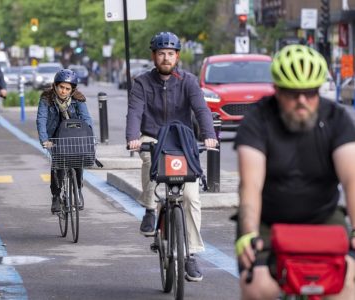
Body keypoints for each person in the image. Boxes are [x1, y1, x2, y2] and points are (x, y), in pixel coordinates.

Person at [234, 44, 355, 300]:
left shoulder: (337, 118)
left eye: (310, 93)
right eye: (292, 93)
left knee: (346, 288)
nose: (302, 101)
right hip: (269, 221)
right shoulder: (257, 119)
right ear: (277, 91)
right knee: (258, 288)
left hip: (323, 218)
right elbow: (250, 185)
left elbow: (352, 179)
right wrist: (248, 232)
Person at [126, 31, 217, 282]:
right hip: (152, 137)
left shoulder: (188, 81)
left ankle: (191, 255)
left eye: (170, 53)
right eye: (161, 53)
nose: (166, 58)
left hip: (181, 140)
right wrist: (132, 137)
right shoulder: (142, 82)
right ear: (154, 56)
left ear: (177, 56)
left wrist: (209, 135)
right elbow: (135, 111)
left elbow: (201, 109)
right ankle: (149, 209)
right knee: (148, 162)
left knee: (190, 196)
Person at [36, 69, 92, 214]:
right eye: (61, 87)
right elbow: (41, 120)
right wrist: (45, 140)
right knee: (58, 165)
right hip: (55, 136)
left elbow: (86, 119)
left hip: (74, 135)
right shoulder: (46, 99)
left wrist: (89, 138)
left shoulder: (78, 99)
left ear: (72, 90)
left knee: (78, 159)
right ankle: (56, 196)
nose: (64, 91)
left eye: (67, 89)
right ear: (55, 86)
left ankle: (78, 189)